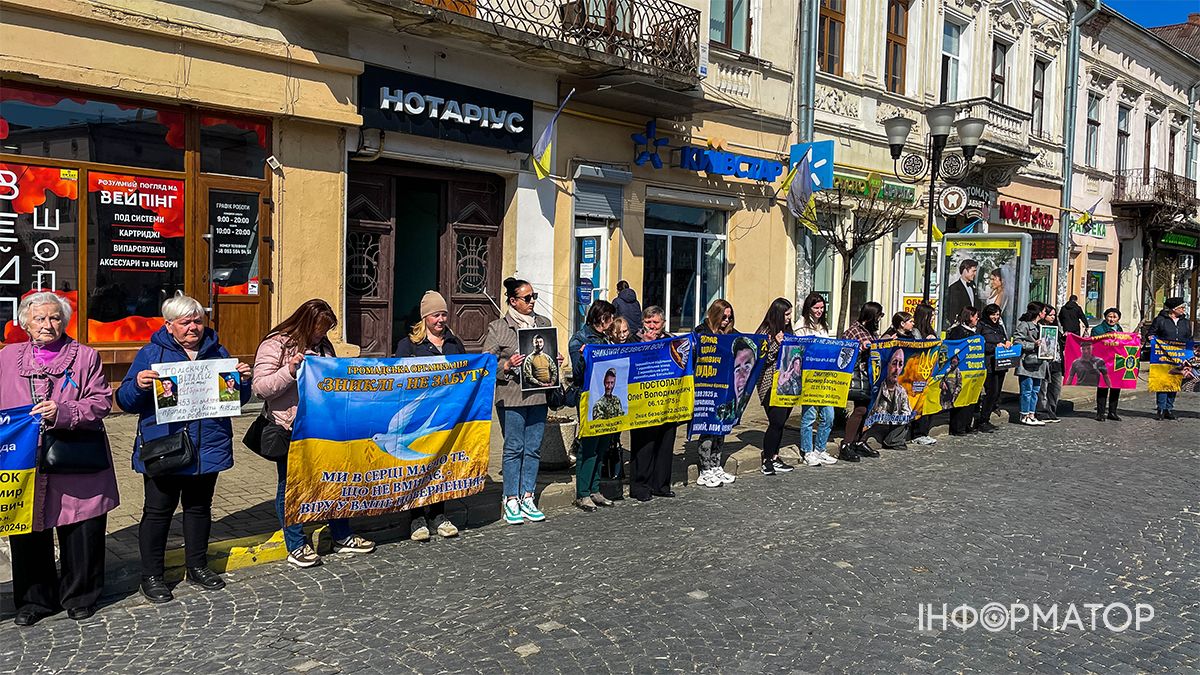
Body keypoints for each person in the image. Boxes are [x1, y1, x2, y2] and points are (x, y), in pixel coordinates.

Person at [118, 294, 253, 603]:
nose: (193, 327)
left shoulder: (218, 352)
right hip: (165, 446)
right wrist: (138, 385)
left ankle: (197, 566)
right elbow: (125, 401)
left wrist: (243, 382)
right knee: (158, 512)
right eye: (185, 322)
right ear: (169, 326)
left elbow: (234, 401)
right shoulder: (151, 353)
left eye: (197, 321)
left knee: (199, 508)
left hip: (208, 445)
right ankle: (152, 576)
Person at [1, 292, 118, 625]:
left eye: (54, 318)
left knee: (81, 527)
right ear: (25, 323)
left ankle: (81, 596)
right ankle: (34, 601)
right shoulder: (7, 357)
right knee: (27, 528)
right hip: (23, 459)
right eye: (39, 318)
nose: (47, 325)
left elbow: (101, 402)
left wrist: (63, 411)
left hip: (75, 454)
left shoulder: (86, 356)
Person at [253, 299, 377, 569]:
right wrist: (290, 371)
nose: (322, 334)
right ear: (305, 323)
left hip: (324, 428)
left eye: (326, 330)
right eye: (319, 329)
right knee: (291, 486)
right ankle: (296, 544)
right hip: (290, 427)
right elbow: (260, 387)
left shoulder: (323, 346)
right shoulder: (276, 344)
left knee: (334, 481)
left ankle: (342, 535)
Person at [482, 277, 560, 523]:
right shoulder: (498, 327)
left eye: (533, 296)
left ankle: (528, 495)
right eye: (527, 298)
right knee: (514, 448)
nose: (532, 301)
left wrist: (556, 359)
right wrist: (506, 365)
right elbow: (486, 362)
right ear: (513, 301)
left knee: (533, 448)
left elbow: (549, 358)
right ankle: (511, 498)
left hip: (538, 396)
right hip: (512, 397)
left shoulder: (543, 324)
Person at [394, 291, 464, 541]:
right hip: (416, 418)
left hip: (445, 416)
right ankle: (416, 518)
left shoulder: (454, 344)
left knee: (440, 465)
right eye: (436, 315)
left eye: (444, 314)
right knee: (416, 466)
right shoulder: (408, 345)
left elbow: (467, 374)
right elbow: (397, 379)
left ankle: (438, 515)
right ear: (425, 318)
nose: (441, 319)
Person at [568, 300, 618, 511]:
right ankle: (583, 493)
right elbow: (577, 374)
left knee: (602, 445)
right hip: (589, 398)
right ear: (601, 317)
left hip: (607, 397)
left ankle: (595, 489)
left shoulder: (606, 339)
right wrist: (582, 356)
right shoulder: (580, 339)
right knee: (589, 446)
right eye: (610, 317)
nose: (613, 321)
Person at [627, 306, 680, 500]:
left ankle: (661, 485)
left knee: (665, 443)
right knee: (644, 445)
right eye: (648, 322)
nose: (651, 326)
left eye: (655, 322)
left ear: (663, 324)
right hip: (643, 402)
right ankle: (640, 486)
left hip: (666, 400)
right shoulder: (633, 340)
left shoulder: (671, 340)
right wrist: (645, 345)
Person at [692, 299, 739, 488]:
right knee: (708, 429)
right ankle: (705, 470)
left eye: (729, 317)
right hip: (706, 389)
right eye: (723, 317)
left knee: (721, 428)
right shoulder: (701, 332)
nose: (726, 321)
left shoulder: (730, 334)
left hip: (724, 390)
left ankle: (716, 465)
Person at [794, 292, 839, 466]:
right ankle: (807, 450)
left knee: (829, 415)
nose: (819, 311)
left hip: (825, 377)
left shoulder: (823, 326)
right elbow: (800, 350)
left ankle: (820, 449)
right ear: (809, 308)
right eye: (816, 308)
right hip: (809, 377)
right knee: (809, 415)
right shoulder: (801, 326)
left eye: (822, 308)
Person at [755, 298, 797, 476]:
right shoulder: (765, 331)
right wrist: (776, 345)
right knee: (776, 421)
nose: (789, 318)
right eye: (786, 314)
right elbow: (760, 359)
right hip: (769, 384)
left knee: (781, 423)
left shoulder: (788, 331)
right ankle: (766, 459)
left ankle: (774, 456)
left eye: (790, 314)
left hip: (787, 384)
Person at [839, 301, 884, 460]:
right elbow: (844, 353)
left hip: (873, 376)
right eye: (879, 315)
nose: (880, 319)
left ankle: (860, 441)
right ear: (871, 316)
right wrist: (860, 348)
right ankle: (846, 444)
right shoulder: (853, 331)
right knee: (860, 410)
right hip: (859, 376)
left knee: (869, 410)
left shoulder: (872, 331)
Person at [1150, 297, 1193, 420]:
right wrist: (1151, 338)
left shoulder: (1185, 322)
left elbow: (1189, 337)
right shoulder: (1160, 320)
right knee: (1163, 382)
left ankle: (1169, 409)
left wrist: (1190, 352)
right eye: (1182, 307)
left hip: (1179, 356)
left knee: (1174, 381)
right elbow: (1151, 333)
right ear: (1174, 309)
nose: (1184, 310)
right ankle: (1161, 409)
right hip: (1162, 356)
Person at [1012, 302, 1050, 427]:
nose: (1045, 313)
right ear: (1038, 312)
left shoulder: (1041, 326)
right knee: (1027, 390)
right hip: (1027, 363)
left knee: (1035, 390)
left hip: (1039, 363)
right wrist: (1033, 345)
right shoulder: (1024, 325)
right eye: (1044, 311)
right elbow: (1017, 342)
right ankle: (1024, 415)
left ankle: (1032, 414)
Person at [945, 306, 981, 436]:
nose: (977, 319)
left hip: (973, 369)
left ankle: (966, 424)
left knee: (970, 398)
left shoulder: (976, 330)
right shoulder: (957, 331)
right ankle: (957, 427)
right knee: (959, 397)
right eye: (975, 316)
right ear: (968, 317)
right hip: (961, 369)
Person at [907, 302, 938, 446]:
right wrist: (926, 342)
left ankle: (924, 431)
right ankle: (918, 433)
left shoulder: (930, 330)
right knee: (919, 403)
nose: (933, 318)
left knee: (929, 403)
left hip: (930, 373)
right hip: (917, 373)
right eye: (931, 316)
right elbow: (916, 349)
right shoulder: (915, 332)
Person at [976, 303, 1010, 432]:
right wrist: (994, 347)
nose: (995, 317)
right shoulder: (981, 326)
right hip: (988, 363)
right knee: (991, 391)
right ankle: (982, 420)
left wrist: (1007, 343)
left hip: (1000, 363)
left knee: (997, 392)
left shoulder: (999, 327)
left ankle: (988, 416)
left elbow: (1004, 339)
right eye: (993, 315)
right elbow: (978, 344)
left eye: (997, 314)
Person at [1090, 307, 1125, 421]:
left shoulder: (1119, 329)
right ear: (1105, 317)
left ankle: (1112, 412)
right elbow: (1094, 344)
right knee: (1103, 387)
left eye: (1114, 317)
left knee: (1116, 387)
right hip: (1103, 362)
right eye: (1109, 316)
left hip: (1116, 362)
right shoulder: (1097, 329)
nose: (1112, 319)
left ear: (1118, 319)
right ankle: (1100, 413)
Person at [1036, 305, 1064, 423]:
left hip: (1057, 362)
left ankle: (1052, 410)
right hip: (1044, 362)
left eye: (1054, 315)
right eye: (1050, 315)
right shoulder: (1038, 328)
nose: (1053, 317)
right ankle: (1042, 412)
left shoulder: (1056, 329)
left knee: (1055, 388)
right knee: (1043, 388)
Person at [943, 259, 979, 328]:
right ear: (965, 270)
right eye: (973, 271)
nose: (975, 274)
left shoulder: (973, 286)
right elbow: (952, 311)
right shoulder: (954, 288)